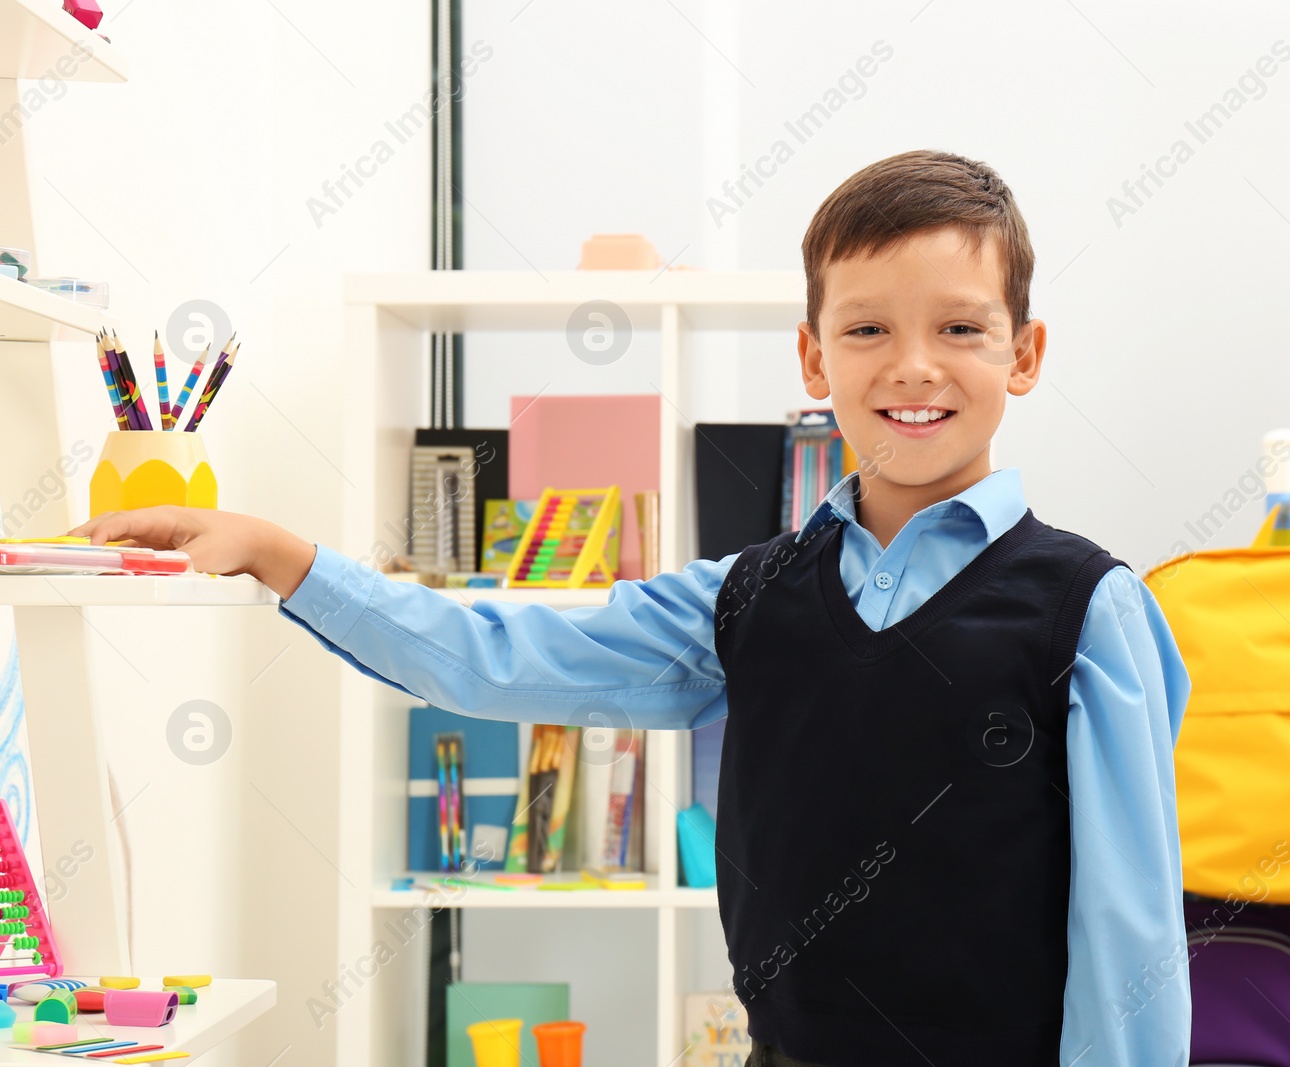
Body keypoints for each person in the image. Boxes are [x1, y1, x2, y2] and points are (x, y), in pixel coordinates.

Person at [71, 150, 1191, 1067]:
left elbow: (1127, 935)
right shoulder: (745, 596)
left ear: (1024, 353)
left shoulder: (1089, 610)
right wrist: (281, 554)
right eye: (865, 330)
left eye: (959, 328)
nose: (912, 367)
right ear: (811, 355)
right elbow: (498, 651)